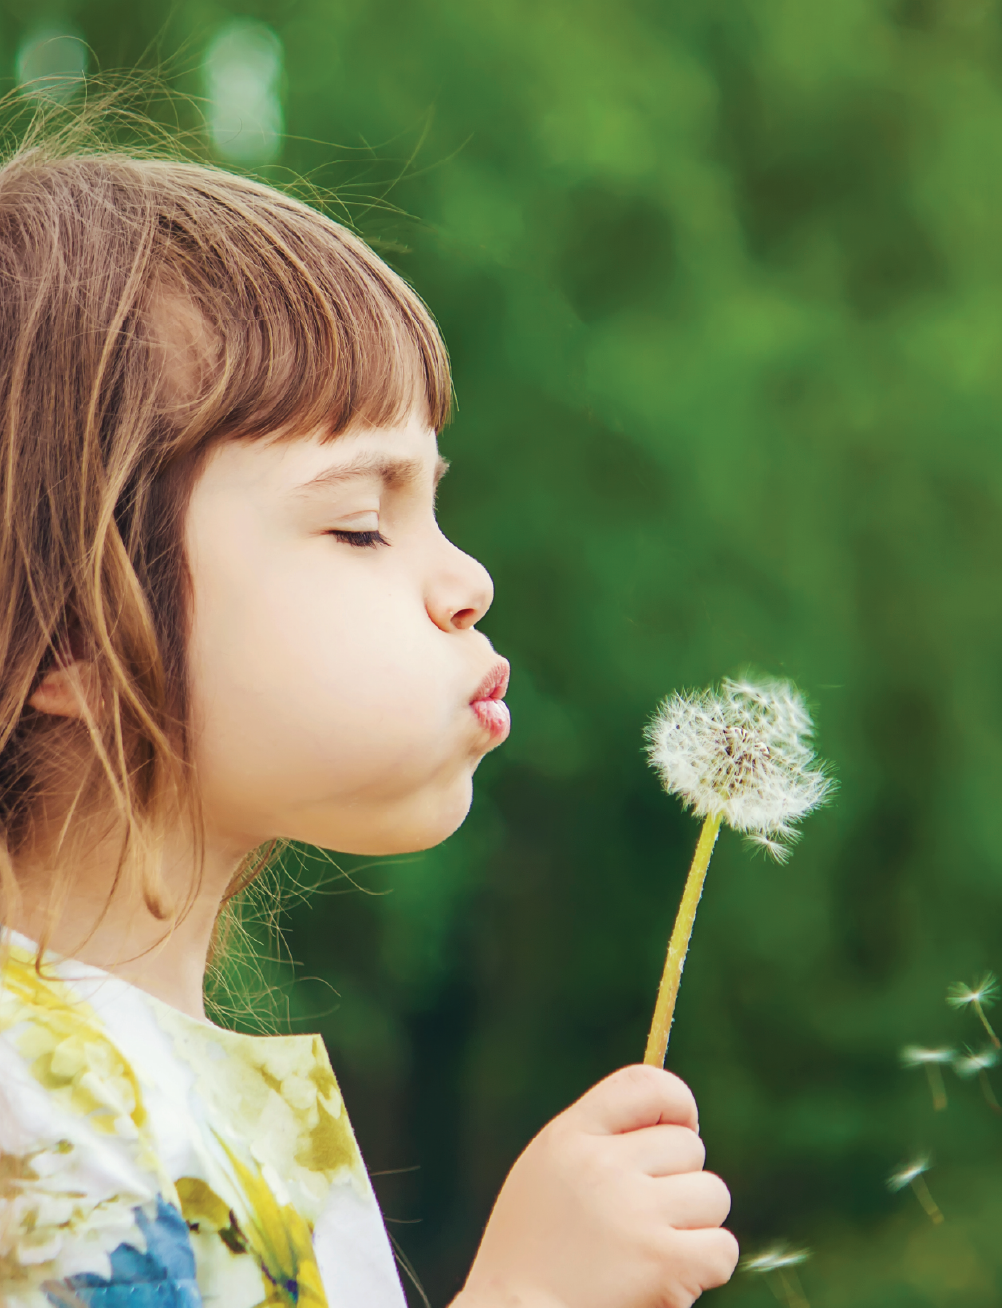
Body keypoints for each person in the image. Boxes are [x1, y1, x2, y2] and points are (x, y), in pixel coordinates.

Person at [0, 117, 737, 1308]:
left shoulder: (162, 1085)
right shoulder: (26, 1110)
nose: (467, 582)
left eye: (432, 504)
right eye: (360, 524)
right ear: (74, 625)